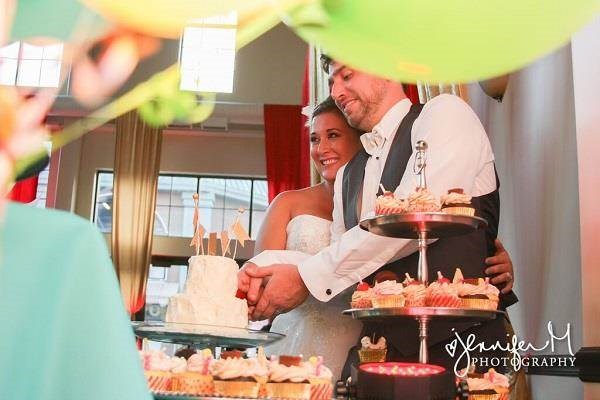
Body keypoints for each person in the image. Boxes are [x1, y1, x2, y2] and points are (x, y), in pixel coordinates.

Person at [240, 56, 518, 373]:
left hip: (458, 348)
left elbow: (417, 215)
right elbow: (345, 265)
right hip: (374, 350)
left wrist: (304, 277)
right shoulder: (348, 175)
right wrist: (258, 271)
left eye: (347, 75)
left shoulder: (444, 113)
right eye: (332, 81)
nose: (337, 90)